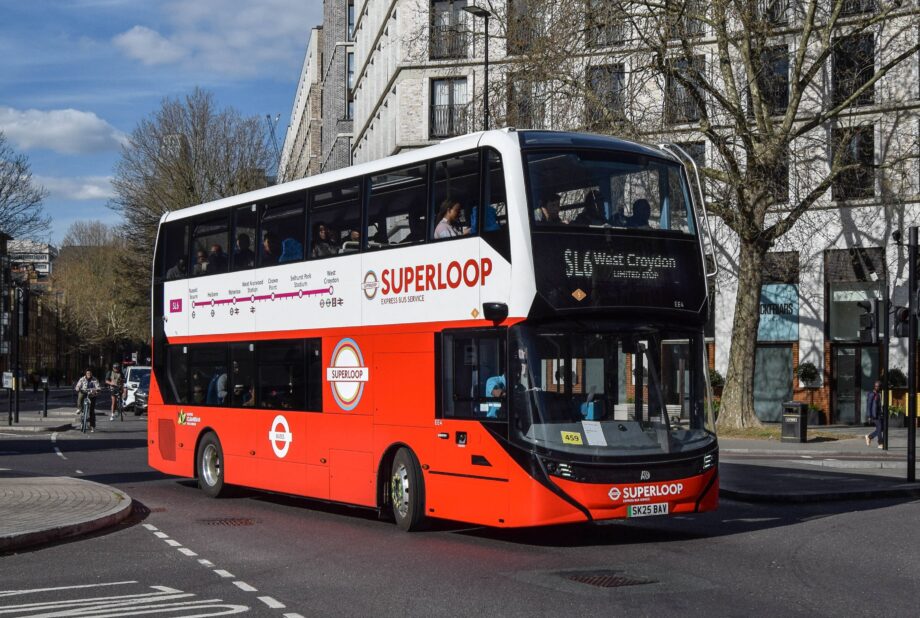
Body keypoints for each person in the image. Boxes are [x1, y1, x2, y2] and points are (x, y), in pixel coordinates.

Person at [865, 380, 884, 448]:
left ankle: (869, 437)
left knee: (881, 428)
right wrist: (869, 416)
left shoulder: (878, 394)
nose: (877, 387)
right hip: (874, 415)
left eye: (878, 386)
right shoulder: (871, 394)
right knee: (879, 428)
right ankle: (880, 443)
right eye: (876, 386)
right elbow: (869, 405)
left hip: (879, 414)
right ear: (874, 386)